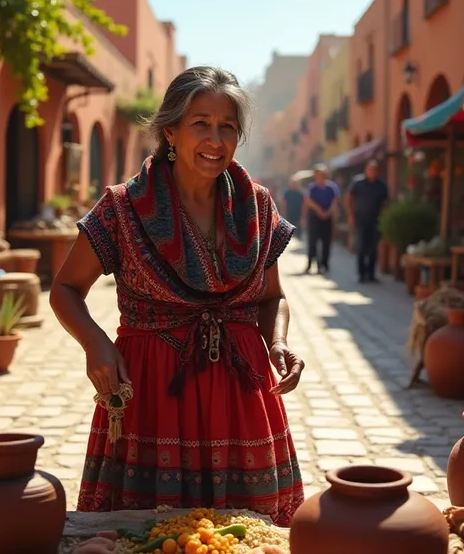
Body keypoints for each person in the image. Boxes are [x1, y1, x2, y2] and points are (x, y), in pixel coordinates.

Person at [49, 66, 305, 526]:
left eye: (228, 126)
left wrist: (279, 342)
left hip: (241, 394)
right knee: (147, 538)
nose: (215, 139)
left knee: (247, 542)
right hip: (152, 390)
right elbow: (65, 289)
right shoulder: (123, 207)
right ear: (170, 131)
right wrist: (96, 345)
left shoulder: (257, 206)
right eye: (200, 124)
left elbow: (272, 297)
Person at [345, 160, 389, 284]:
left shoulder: (381, 185)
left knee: (373, 247)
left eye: (374, 170)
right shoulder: (358, 182)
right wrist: (350, 214)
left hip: (376, 220)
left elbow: (385, 203)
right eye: (370, 169)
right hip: (361, 219)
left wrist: (384, 218)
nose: (372, 172)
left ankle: (371, 274)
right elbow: (349, 197)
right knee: (362, 246)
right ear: (366, 170)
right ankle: (361, 274)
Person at [304, 164, 340, 274]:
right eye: (319, 174)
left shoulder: (331, 187)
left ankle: (324, 264)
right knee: (312, 241)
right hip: (314, 217)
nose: (321, 176)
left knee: (326, 242)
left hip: (327, 218)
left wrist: (329, 212)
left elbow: (335, 201)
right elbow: (308, 201)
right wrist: (319, 210)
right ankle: (310, 263)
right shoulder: (312, 187)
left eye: (323, 174)